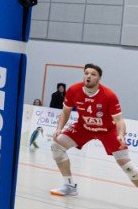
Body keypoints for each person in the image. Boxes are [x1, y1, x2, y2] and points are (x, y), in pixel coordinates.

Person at [50, 64, 137, 196]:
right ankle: (69, 186)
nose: (88, 76)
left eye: (93, 74)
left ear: (99, 78)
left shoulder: (109, 95)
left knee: (129, 168)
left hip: (107, 131)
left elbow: (119, 120)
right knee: (57, 147)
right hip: (83, 127)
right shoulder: (74, 90)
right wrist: (59, 128)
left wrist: (121, 135)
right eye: (86, 73)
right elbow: (65, 112)